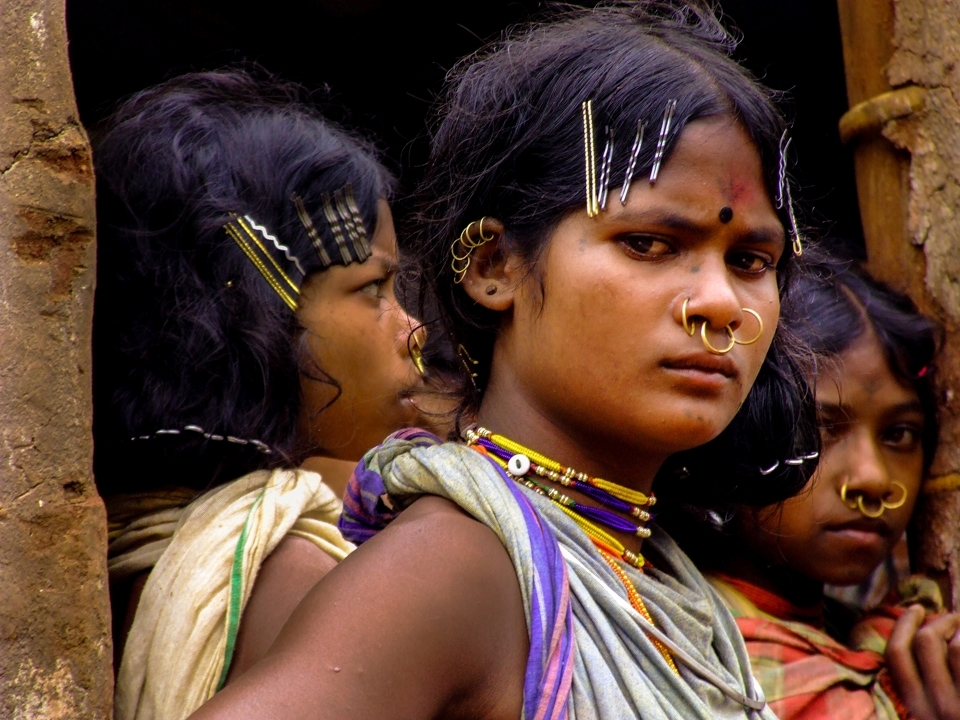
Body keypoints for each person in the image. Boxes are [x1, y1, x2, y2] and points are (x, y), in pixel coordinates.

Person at [188, 4, 821, 718]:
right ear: (494, 267)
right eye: (649, 243)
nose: (719, 305)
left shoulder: (661, 586)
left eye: (750, 260)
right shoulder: (459, 569)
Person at [94, 70, 428, 720]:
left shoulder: (130, 544)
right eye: (374, 290)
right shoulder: (295, 581)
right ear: (257, 306)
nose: (412, 330)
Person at [662, 257, 958, 719]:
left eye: (899, 434)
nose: (873, 479)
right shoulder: (697, 650)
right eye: (820, 426)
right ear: (733, 428)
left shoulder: (864, 633)